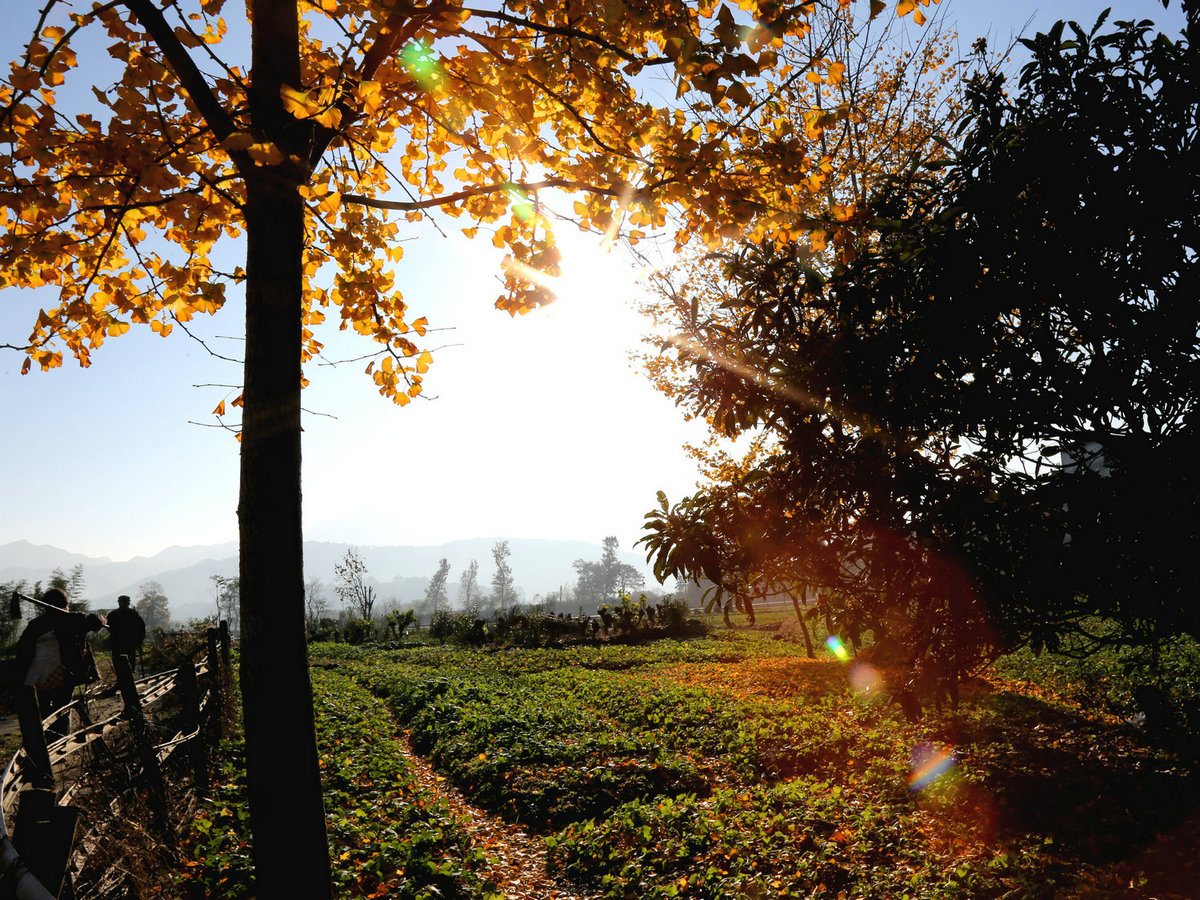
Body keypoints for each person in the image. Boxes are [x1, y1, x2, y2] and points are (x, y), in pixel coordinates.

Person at [15, 587, 104, 739]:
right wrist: (98, 619)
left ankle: (49, 740)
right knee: (63, 708)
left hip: (41, 677)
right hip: (67, 674)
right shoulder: (74, 620)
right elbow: (96, 622)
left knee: (44, 710)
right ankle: (61, 741)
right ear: (65, 603)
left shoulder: (37, 624)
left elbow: (22, 648)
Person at [106, 593, 146, 670]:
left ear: (119, 602)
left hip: (117, 642)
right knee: (131, 659)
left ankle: (122, 678)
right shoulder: (134, 614)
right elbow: (141, 627)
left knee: (118, 660)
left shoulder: (113, 614)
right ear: (128, 603)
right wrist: (140, 639)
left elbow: (109, 628)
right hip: (131, 642)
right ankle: (130, 677)